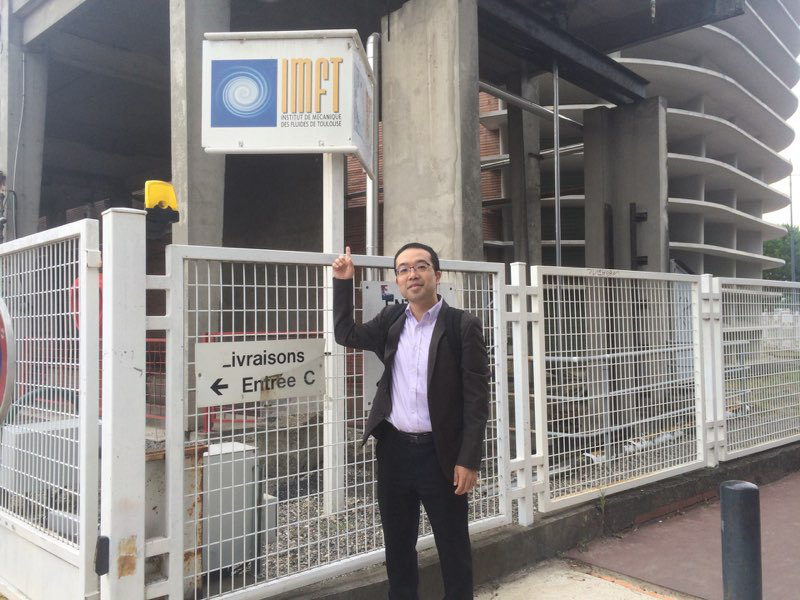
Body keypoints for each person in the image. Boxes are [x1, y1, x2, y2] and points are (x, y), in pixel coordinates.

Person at [332, 242, 490, 600]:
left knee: (453, 547)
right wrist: (343, 281)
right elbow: (346, 334)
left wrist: (468, 459)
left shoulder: (461, 325)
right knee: (398, 547)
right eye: (403, 269)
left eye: (420, 266)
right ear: (398, 280)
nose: (412, 274)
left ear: (437, 274)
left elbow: (476, 400)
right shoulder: (392, 320)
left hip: (441, 455)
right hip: (395, 452)